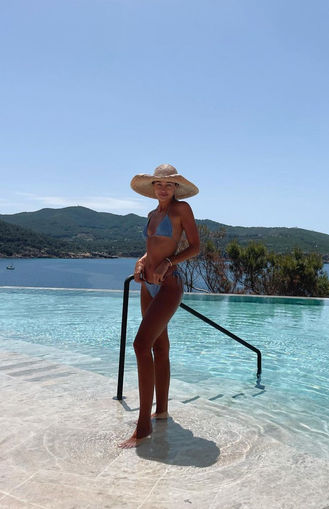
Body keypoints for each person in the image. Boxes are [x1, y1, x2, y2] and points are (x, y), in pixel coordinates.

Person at [119, 164, 200, 448]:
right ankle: (161, 411)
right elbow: (153, 245)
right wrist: (141, 261)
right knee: (158, 347)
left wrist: (168, 262)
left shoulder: (182, 210)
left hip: (168, 283)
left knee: (141, 345)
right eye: (158, 184)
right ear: (152, 187)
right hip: (147, 285)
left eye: (169, 185)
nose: (163, 188)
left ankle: (143, 426)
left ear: (176, 188)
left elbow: (195, 246)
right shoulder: (153, 214)